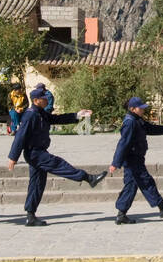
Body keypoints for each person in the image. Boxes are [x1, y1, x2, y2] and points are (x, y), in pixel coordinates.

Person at [7, 84, 104, 226]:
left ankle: (30, 215)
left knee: (37, 184)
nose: (46, 99)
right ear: (36, 100)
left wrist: (77, 115)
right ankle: (89, 178)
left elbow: (57, 119)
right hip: (35, 153)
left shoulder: (40, 112)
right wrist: (13, 157)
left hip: (38, 152)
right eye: (43, 97)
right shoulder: (30, 115)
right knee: (58, 164)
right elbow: (20, 137)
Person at [109, 97, 163, 224]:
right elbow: (123, 143)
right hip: (132, 159)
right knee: (146, 181)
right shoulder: (130, 122)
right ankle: (162, 208)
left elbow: (151, 129)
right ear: (132, 109)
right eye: (140, 108)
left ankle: (121, 214)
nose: (143, 110)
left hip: (136, 157)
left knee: (131, 186)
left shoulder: (137, 120)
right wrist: (116, 163)